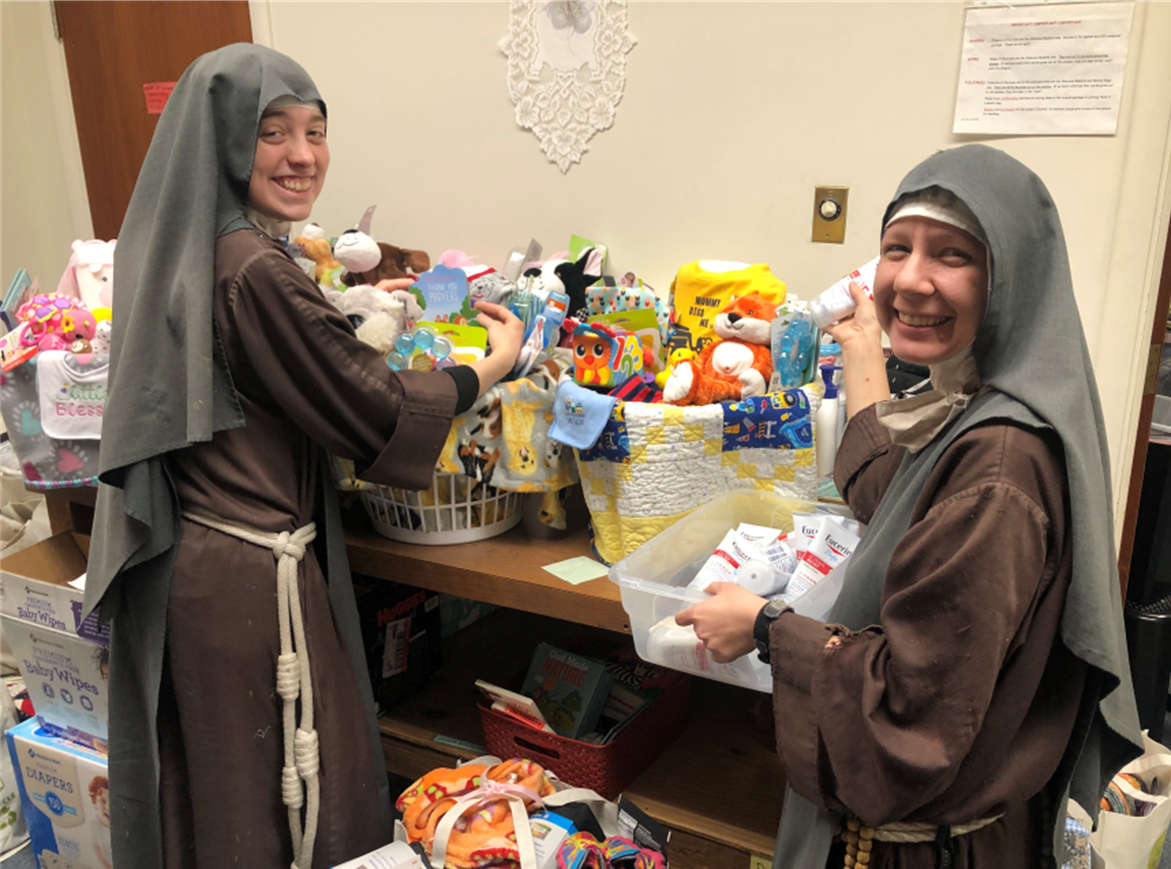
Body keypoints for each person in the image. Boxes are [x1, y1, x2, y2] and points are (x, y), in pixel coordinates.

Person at [84, 44, 524, 869]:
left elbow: (264, 366)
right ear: (222, 141)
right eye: (272, 132)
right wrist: (487, 370)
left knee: (222, 793)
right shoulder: (255, 267)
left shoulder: (190, 243)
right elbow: (375, 407)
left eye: (315, 130)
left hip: (200, 564)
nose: (301, 155)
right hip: (254, 583)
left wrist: (337, 314)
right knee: (285, 794)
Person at [676, 145, 1142, 868]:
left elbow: (910, 712)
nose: (912, 278)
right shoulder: (969, 405)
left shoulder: (999, 467)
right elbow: (887, 485)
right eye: (897, 247)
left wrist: (766, 626)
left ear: (1006, 278)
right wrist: (862, 341)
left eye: (951, 254)